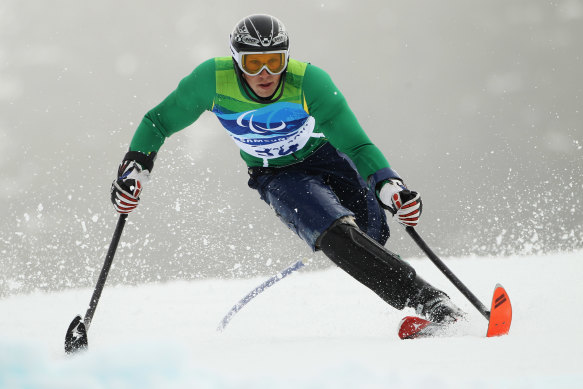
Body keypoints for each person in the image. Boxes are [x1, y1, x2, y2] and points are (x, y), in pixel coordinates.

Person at [110, 14, 465, 325]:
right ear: (236, 63)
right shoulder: (212, 80)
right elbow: (157, 122)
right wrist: (135, 168)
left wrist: (390, 185)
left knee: (372, 237)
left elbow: (356, 145)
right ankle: (432, 303)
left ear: (286, 58)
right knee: (337, 235)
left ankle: (419, 305)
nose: (265, 74)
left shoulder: (310, 82)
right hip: (277, 174)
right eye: (253, 64)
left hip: (325, 156)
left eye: (274, 61)